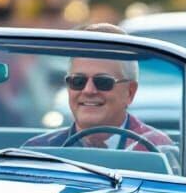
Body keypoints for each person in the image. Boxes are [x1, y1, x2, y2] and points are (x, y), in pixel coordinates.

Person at [26, 27, 173, 150]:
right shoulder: (40, 150)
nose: (89, 90)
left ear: (130, 92)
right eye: (78, 81)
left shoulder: (156, 150)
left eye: (103, 82)